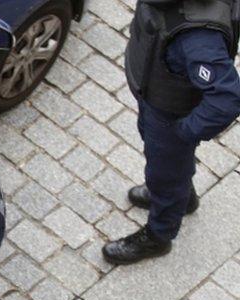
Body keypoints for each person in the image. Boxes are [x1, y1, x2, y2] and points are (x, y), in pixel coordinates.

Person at [103, 0, 240, 264]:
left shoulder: (198, 38)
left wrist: (185, 132)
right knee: (166, 167)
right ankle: (183, 197)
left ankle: (158, 235)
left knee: (164, 174)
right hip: (154, 96)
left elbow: (227, 98)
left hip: (170, 115)